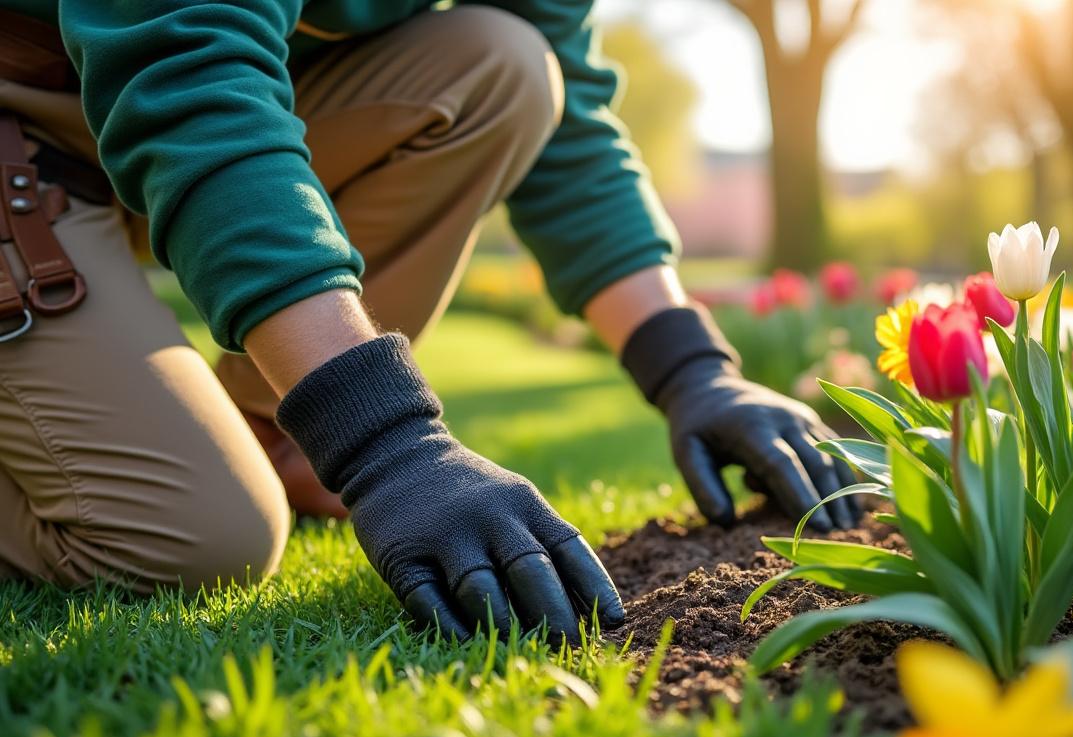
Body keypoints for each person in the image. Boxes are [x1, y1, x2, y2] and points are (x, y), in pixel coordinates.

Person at [0, 1, 861, 643]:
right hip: (31, 115)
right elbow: (189, 77)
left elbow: (572, 139)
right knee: (192, 543)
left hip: (135, 102)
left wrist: (693, 370)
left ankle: (278, 437)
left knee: (506, 66)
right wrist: (386, 442)